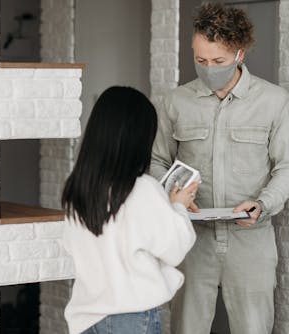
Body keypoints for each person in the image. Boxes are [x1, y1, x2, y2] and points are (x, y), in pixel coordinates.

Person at [150, 3, 289, 334]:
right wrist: (171, 198)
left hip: (251, 242)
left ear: (240, 54)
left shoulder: (275, 102)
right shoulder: (175, 102)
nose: (208, 69)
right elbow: (157, 161)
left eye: (218, 61)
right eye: (200, 60)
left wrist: (262, 205)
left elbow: (288, 168)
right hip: (191, 239)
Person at [62, 86, 198, 334]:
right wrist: (178, 205)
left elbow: (75, 246)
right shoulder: (142, 189)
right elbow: (175, 249)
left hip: (86, 319)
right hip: (132, 319)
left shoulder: (77, 189)